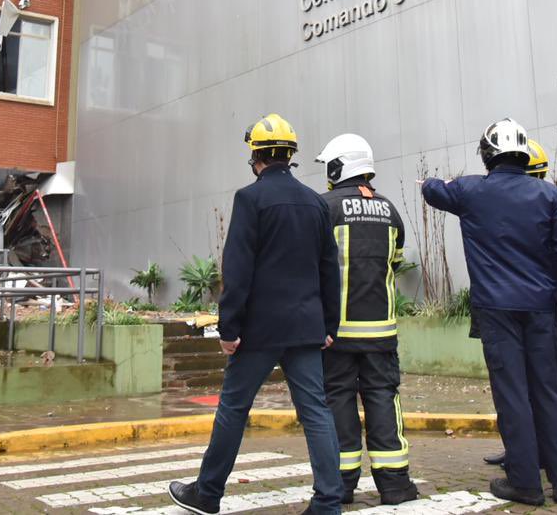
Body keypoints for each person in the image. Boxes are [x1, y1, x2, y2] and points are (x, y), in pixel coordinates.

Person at [168, 114, 344, 515]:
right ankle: (329, 503)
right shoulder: (317, 203)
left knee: (233, 408)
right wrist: (328, 325)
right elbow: (328, 268)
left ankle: (208, 494)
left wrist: (228, 328)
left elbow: (239, 268)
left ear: (257, 157)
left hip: (258, 332)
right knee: (316, 411)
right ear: (291, 156)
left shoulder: (250, 199)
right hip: (305, 328)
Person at [421, 119, 557, 507]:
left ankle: (526, 482)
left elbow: (432, 191)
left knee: (512, 396)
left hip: (496, 310)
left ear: (487, 154)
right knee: (551, 391)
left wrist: (433, 181)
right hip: (543, 307)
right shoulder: (549, 195)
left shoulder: (471, 191)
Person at [314, 134, 419, 506]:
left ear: (337, 166)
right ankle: (394, 484)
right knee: (383, 399)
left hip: (336, 332)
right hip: (381, 332)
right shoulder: (390, 210)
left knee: (338, 400)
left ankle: (342, 484)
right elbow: (394, 262)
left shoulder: (323, 208)